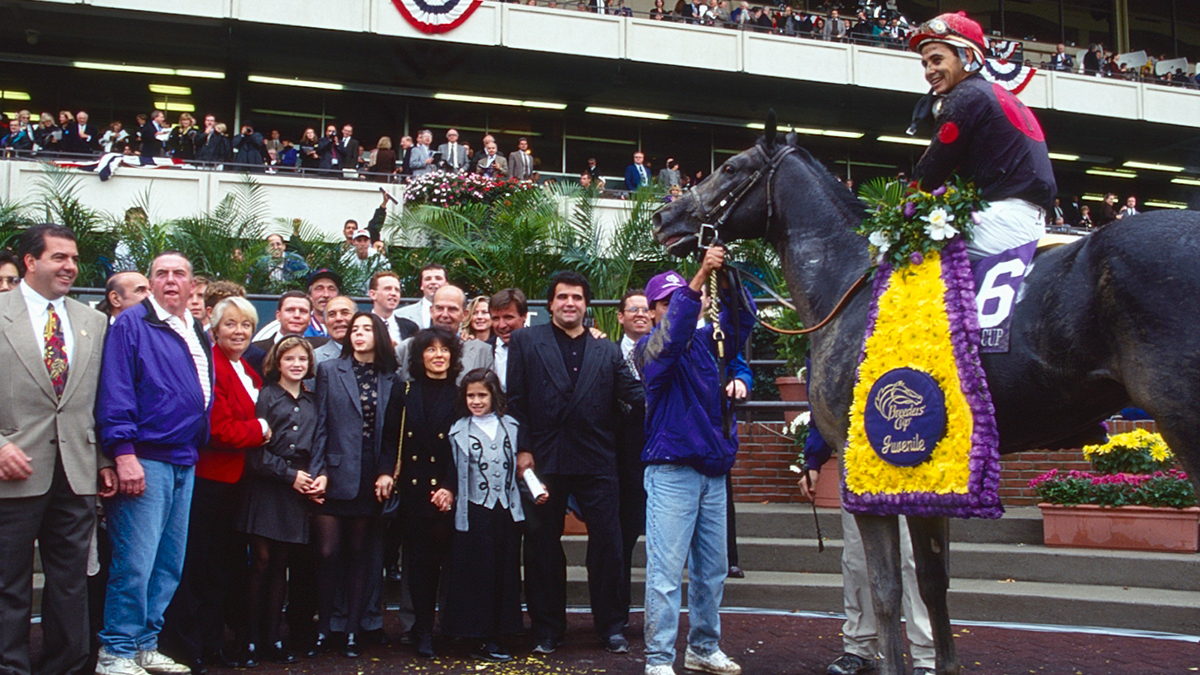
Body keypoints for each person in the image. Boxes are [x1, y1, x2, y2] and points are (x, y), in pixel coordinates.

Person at [507, 270, 643, 654]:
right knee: (541, 546)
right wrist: (523, 449)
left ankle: (611, 626)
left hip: (598, 459)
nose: (570, 303)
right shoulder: (525, 341)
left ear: (587, 305)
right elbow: (515, 400)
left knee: (609, 544)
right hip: (544, 458)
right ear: (550, 303)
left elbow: (632, 395)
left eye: (578, 298)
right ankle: (547, 629)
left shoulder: (608, 349)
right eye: (563, 297)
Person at [634, 246, 755, 675]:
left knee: (713, 570)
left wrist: (726, 277)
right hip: (670, 469)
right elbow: (673, 335)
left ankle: (703, 647)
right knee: (666, 573)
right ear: (651, 312)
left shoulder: (711, 341)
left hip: (713, 469)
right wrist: (700, 275)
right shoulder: (649, 348)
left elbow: (743, 321)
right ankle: (659, 658)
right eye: (664, 303)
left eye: (677, 300)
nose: (673, 307)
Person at [0, 224, 113, 675]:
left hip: (78, 469)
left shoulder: (93, 321)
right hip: (15, 468)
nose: (70, 266)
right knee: (9, 584)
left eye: (73, 258)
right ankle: (11, 667)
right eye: (59, 257)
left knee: (70, 583)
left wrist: (104, 460)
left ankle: (65, 667)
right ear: (30, 261)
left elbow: (104, 397)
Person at [96, 251, 213, 675]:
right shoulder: (133, 323)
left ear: (192, 283)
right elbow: (116, 389)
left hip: (185, 457)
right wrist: (123, 453)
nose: (169, 281)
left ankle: (146, 642)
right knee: (135, 562)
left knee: (167, 563)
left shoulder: (193, 327)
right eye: (160, 274)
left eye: (179, 273)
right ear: (151, 281)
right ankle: (116, 650)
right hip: (146, 457)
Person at [162, 296, 268, 671]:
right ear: (214, 327)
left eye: (245, 325)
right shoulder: (212, 367)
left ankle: (213, 642)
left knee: (225, 568)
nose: (238, 332)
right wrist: (262, 429)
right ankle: (193, 647)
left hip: (238, 485)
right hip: (211, 482)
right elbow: (218, 430)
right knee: (202, 568)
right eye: (231, 324)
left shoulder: (247, 369)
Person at [908, 11, 1056, 260]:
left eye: (937, 60)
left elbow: (931, 172)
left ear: (966, 56)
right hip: (1022, 217)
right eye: (926, 63)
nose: (929, 71)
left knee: (906, 247)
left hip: (1002, 221)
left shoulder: (966, 96)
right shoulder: (989, 92)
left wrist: (901, 207)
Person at [799, 422, 935, 675]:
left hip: (910, 457)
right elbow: (826, 404)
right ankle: (859, 647)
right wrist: (814, 460)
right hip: (859, 461)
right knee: (857, 558)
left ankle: (927, 656)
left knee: (912, 559)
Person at [310, 312, 400, 658]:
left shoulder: (392, 378)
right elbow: (320, 423)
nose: (359, 334)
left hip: (370, 474)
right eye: (354, 329)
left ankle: (351, 631)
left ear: (378, 335)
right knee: (328, 552)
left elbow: (392, 435)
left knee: (361, 553)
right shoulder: (331, 370)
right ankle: (324, 628)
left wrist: (386, 471)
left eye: (366, 329)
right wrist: (318, 469)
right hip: (333, 472)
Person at [441, 368, 536, 663]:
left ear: (494, 395)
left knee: (504, 571)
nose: (476, 401)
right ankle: (476, 636)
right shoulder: (458, 430)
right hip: (475, 509)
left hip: (506, 509)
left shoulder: (512, 426)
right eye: (471, 396)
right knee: (477, 573)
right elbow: (452, 472)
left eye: (482, 395)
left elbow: (523, 465)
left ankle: (502, 631)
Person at [238, 337, 321, 665]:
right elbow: (254, 453)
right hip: (267, 485)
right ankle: (249, 640)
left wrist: (315, 476)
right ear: (278, 362)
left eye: (302, 359)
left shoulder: (314, 401)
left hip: (297, 491)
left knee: (280, 566)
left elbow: (319, 444)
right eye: (290, 359)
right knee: (260, 562)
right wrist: (288, 475)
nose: (297, 364)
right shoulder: (265, 396)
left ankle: (273, 638)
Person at [380, 328, 462, 658]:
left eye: (445, 349)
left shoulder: (462, 393)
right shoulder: (404, 390)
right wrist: (386, 472)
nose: (438, 355)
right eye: (431, 350)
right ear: (420, 356)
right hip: (414, 491)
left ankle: (454, 629)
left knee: (451, 566)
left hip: (447, 492)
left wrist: (450, 487)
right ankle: (423, 631)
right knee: (421, 567)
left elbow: (465, 449)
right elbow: (389, 439)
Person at [614, 289, 651, 614]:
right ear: (620, 316)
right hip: (619, 462)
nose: (641, 314)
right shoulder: (605, 353)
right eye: (633, 309)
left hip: (658, 456)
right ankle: (620, 612)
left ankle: (657, 614)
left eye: (646, 309)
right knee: (621, 542)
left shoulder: (667, 352)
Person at [487, 288, 527, 390]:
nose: (501, 325)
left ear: (524, 316)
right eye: (496, 319)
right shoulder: (483, 350)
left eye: (508, 317)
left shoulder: (540, 347)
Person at [396, 263, 447, 329]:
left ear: (447, 284)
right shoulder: (399, 315)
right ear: (421, 285)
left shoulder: (461, 317)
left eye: (438, 278)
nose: (433, 282)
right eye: (428, 279)